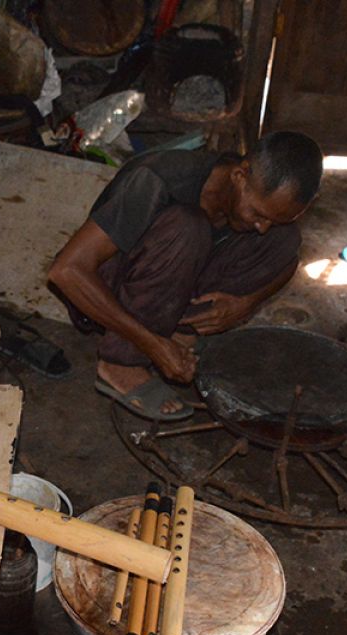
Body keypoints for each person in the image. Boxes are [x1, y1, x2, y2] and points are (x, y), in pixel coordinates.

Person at [48, 131, 323, 421]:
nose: (262, 226)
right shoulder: (156, 178)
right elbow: (66, 271)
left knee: (284, 239)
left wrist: (246, 304)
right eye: (258, 213)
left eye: (272, 218)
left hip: (171, 287)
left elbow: (288, 263)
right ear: (240, 176)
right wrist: (151, 343)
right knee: (188, 227)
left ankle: (180, 335)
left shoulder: (252, 208)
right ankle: (121, 362)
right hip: (105, 290)